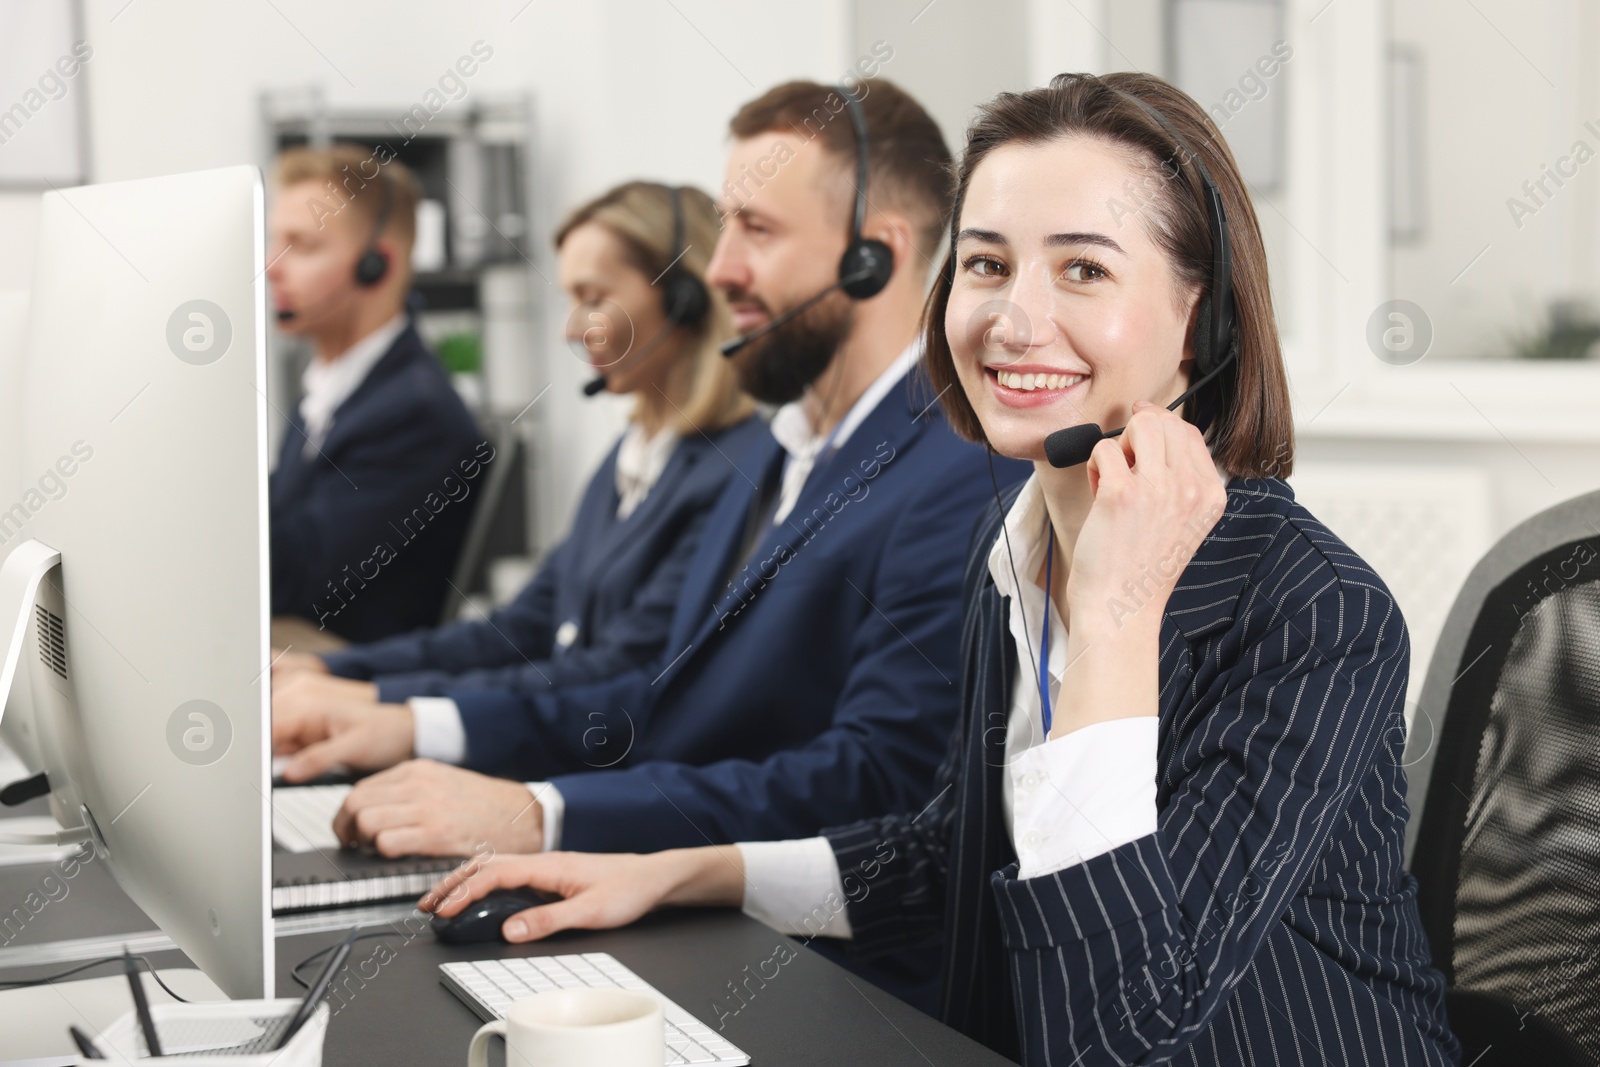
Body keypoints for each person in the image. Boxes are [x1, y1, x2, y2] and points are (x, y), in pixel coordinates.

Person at [418, 72, 1461, 1066]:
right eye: (987, 263)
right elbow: (955, 854)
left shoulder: (1313, 609)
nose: (1011, 319)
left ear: (1201, 320)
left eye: (1084, 268)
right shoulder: (1009, 545)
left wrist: (1112, 618)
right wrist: (678, 873)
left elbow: (1127, 1031)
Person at [269, 77, 1027, 862]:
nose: (722, 268)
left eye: (757, 230)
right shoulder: (777, 451)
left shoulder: (962, 471)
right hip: (674, 872)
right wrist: (415, 725)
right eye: (726, 227)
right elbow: (661, 698)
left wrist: (545, 814)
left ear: (876, 255)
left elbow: (874, 783)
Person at [272, 182, 765, 778]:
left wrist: (381, 701)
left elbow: (619, 670)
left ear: (684, 300)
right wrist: (342, 673)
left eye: (593, 296)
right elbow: (520, 630)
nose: (569, 329)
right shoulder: (629, 457)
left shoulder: (737, 472)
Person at [267, 145, 483, 645]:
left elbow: (292, 584)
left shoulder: (413, 411)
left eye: (302, 246)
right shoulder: (329, 390)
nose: (272, 267)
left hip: (348, 668)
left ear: (376, 265)